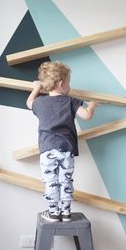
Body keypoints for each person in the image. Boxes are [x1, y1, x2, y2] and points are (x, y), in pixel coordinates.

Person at [27, 61, 97, 222]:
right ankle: (65, 212)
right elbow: (86, 115)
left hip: (47, 149)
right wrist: (92, 105)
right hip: (66, 148)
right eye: (69, 83)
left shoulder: (40, 102)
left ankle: (53, 212)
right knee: (65, 179)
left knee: (51, 181)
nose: (70, 87)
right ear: (61, 83)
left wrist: (36, 88)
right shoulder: (71, 101)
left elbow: (29, 103)